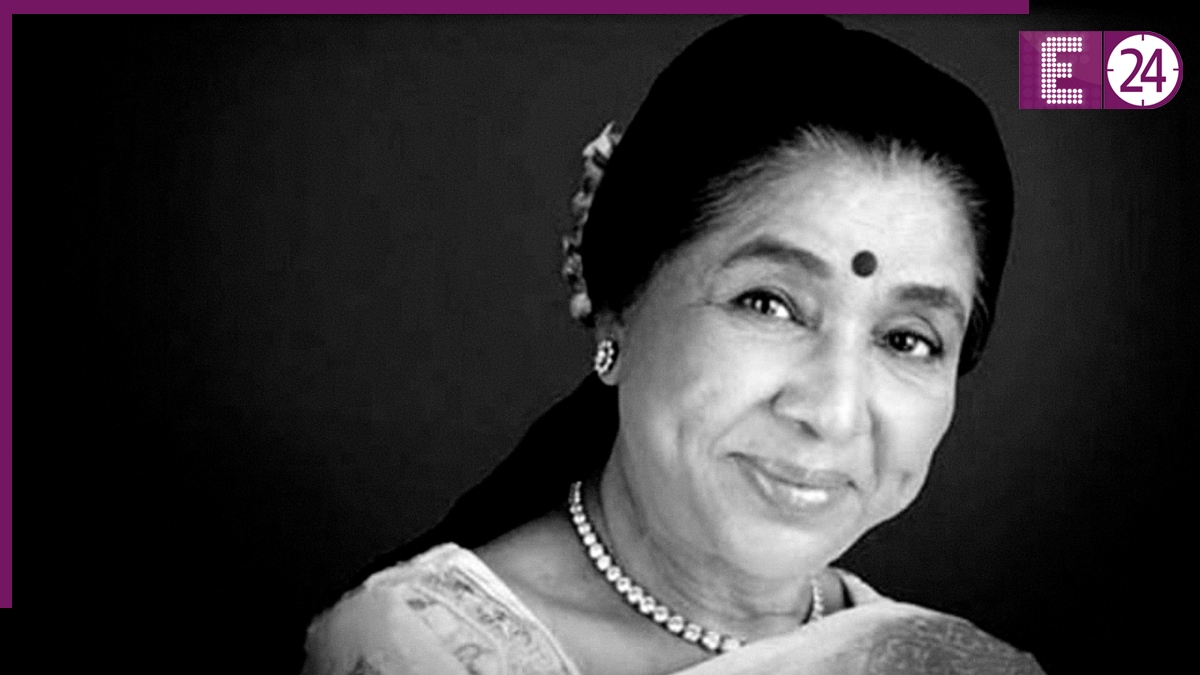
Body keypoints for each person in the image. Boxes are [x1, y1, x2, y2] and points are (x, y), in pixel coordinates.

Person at [302, 15, 1045, 675]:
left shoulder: (944, 663)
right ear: (616, 308)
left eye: (908, 340)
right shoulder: (415, 652)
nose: (834, 412)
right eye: (769, 304)